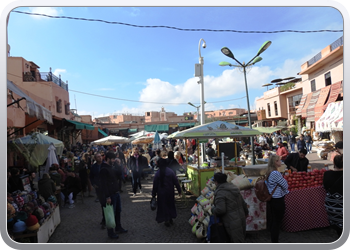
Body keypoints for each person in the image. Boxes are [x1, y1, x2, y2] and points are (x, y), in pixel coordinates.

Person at [211, 172, 249, 243]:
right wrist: (246, 212)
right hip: (241, 218)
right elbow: (243, 203)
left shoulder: (220, 193)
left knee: (235, 241)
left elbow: (221, 210)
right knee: (241, 239)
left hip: (231, 221)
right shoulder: (234, 188)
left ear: (216, 182)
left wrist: (213, 210)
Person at [99, 152, 128, 239]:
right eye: (112, 159)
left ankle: (118, 227)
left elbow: (119, 175)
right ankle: (110, 232)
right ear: (107, 158)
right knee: (111, 214)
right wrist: (107, 196)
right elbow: (103, 185)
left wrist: (118, 165)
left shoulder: (111, 167)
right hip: (110, 195)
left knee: (118, 211)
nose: (114, 160)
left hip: (116, 193)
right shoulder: (104, 169)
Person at [151, 158, 182, 227]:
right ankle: (170, 218)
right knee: (170, 205)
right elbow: (176, 182)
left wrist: (153, 194)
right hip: (170, 192)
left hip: (161, 193)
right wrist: (179, 190)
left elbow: (155, 185)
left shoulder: (158, 173)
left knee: (163, 206)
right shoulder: (170, 172)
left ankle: (166, 219)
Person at [266, 154, 289, 243]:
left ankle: (274, 239)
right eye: (279, 160)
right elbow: (285, 185)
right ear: (275, 162)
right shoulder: (275, 173)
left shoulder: (270, 171)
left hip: (273, 199)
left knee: (274, 220)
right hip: (277, 199)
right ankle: (274, 241)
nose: (281, 162)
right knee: (277, 221)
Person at [323, 154, 343, 237]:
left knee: (339, 229)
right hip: (342, 206)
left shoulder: (327, 174)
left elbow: (325, 187)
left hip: (331, 205)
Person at [90, 152, 106, 228]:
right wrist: (93, 184)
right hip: (99, 188)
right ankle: (104, 219)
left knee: (107, 203)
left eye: (100, 156)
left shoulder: (105, 165)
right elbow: (91, 177)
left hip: (106, 187)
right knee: (103, 204)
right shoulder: (93, 167)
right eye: (98, 157)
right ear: (95, 159)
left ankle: (105, 219)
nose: (100, 158)